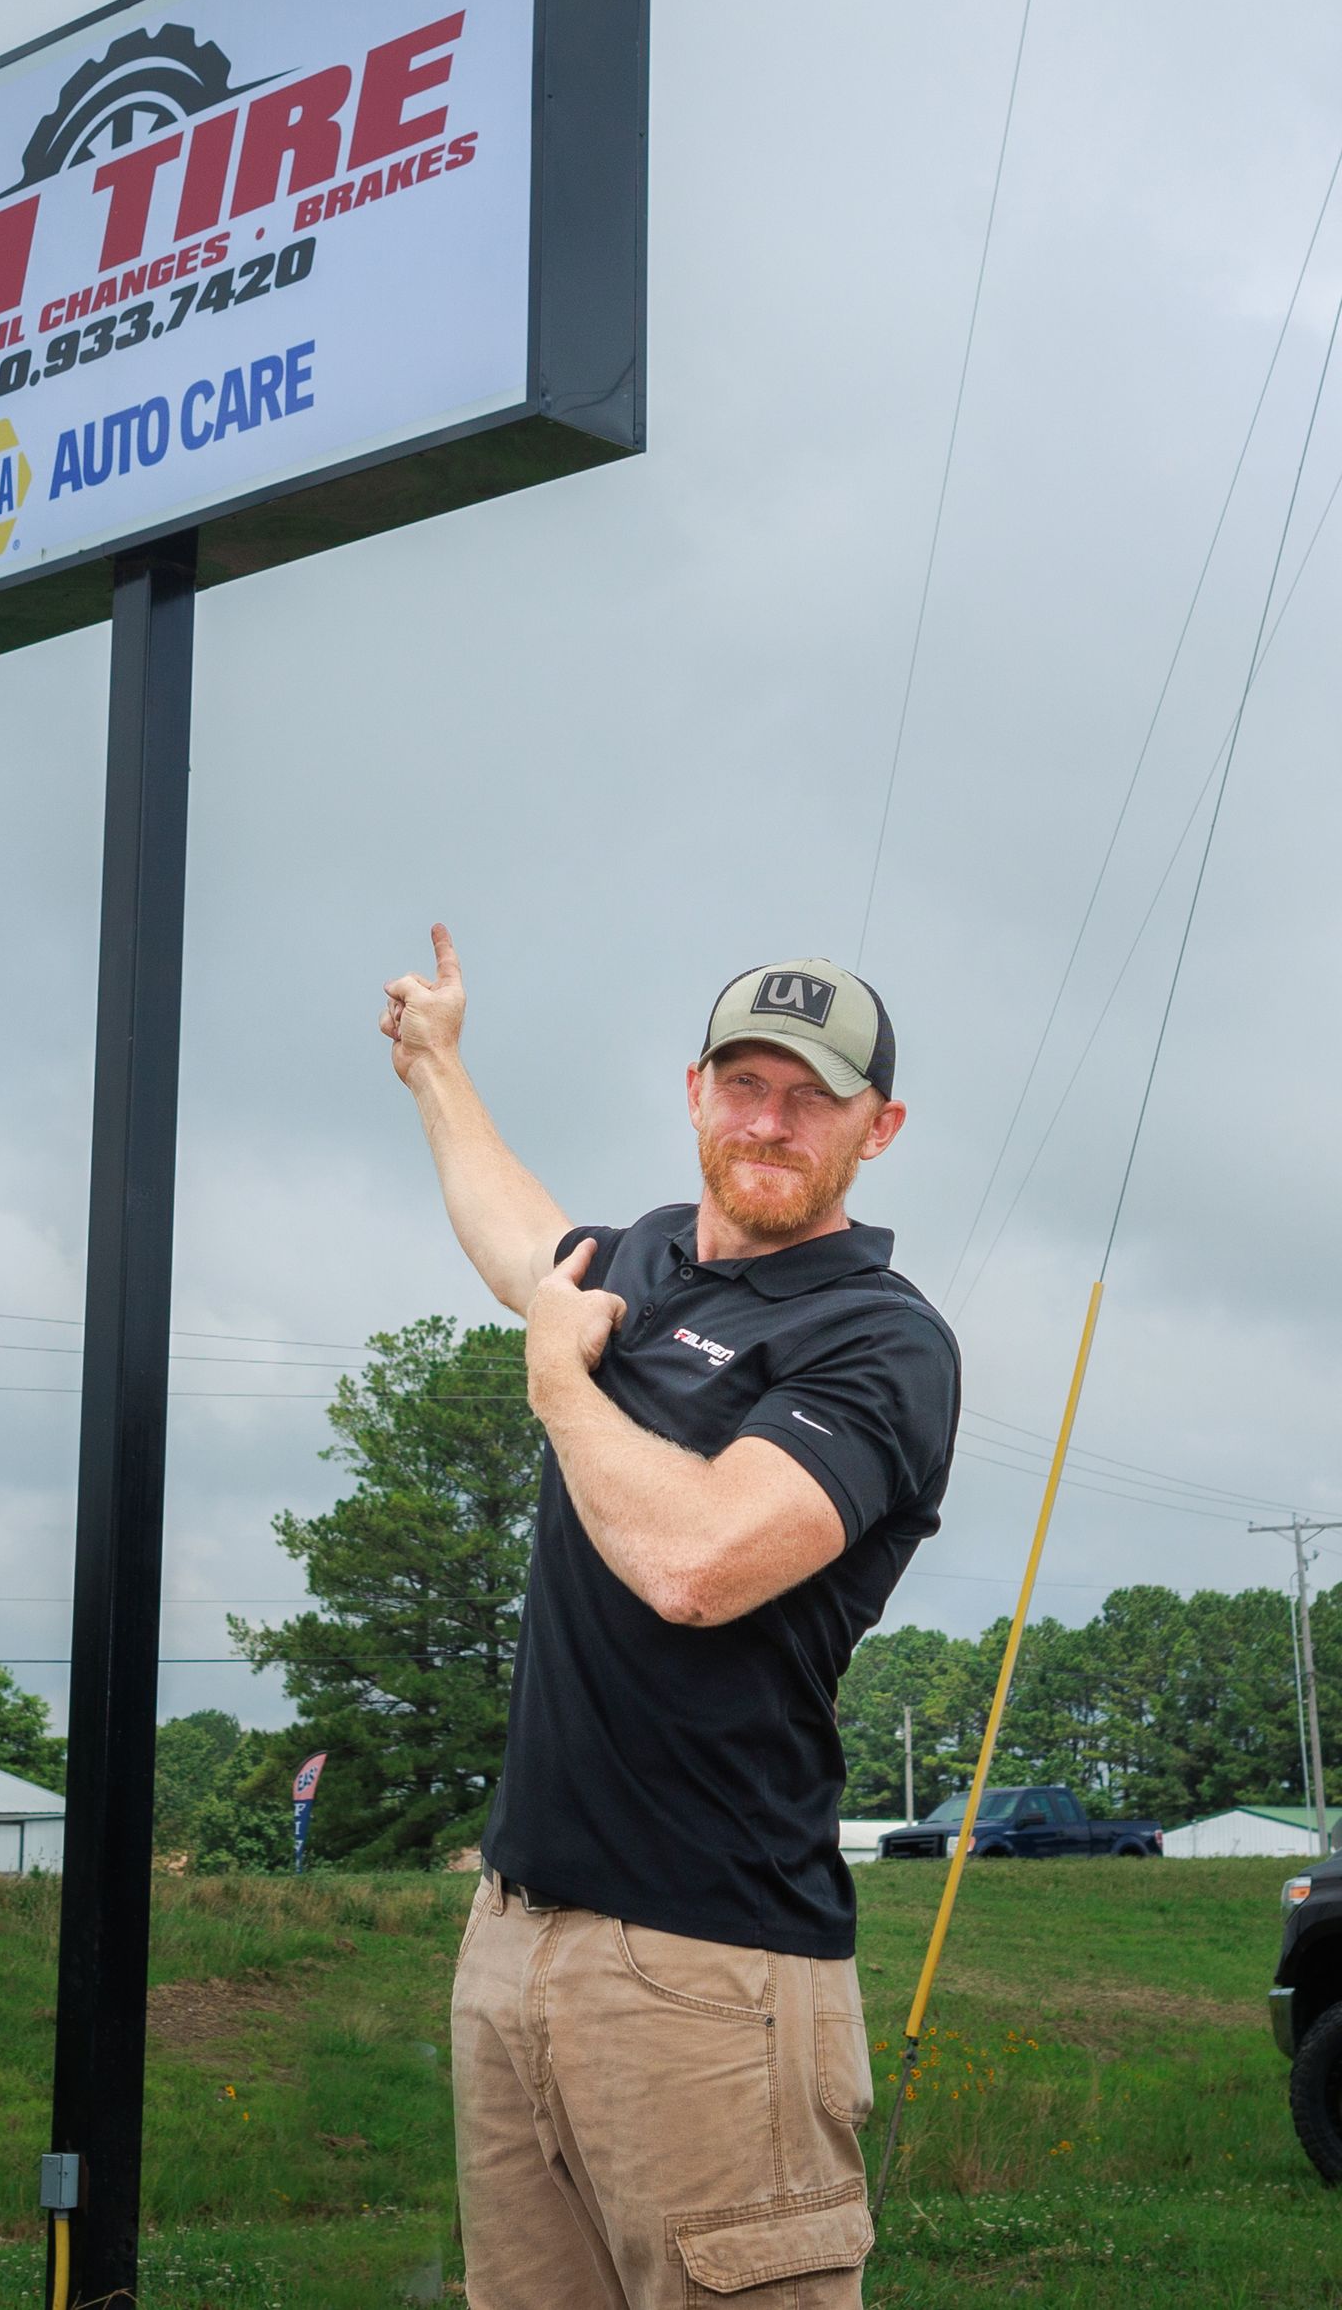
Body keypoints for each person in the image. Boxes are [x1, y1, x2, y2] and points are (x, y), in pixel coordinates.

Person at [379, 931, 959, 2310]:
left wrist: (564, 1390)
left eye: (809, 1096)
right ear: (693, 1090)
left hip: (713, 1973)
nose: (769, 1121)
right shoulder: (637, 1258)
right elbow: (520, 1236)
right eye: (745, 1082)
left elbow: (696, 1562)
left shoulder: (879, 1340)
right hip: (516, 1939)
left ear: (877, 1130)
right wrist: (437, 1066)